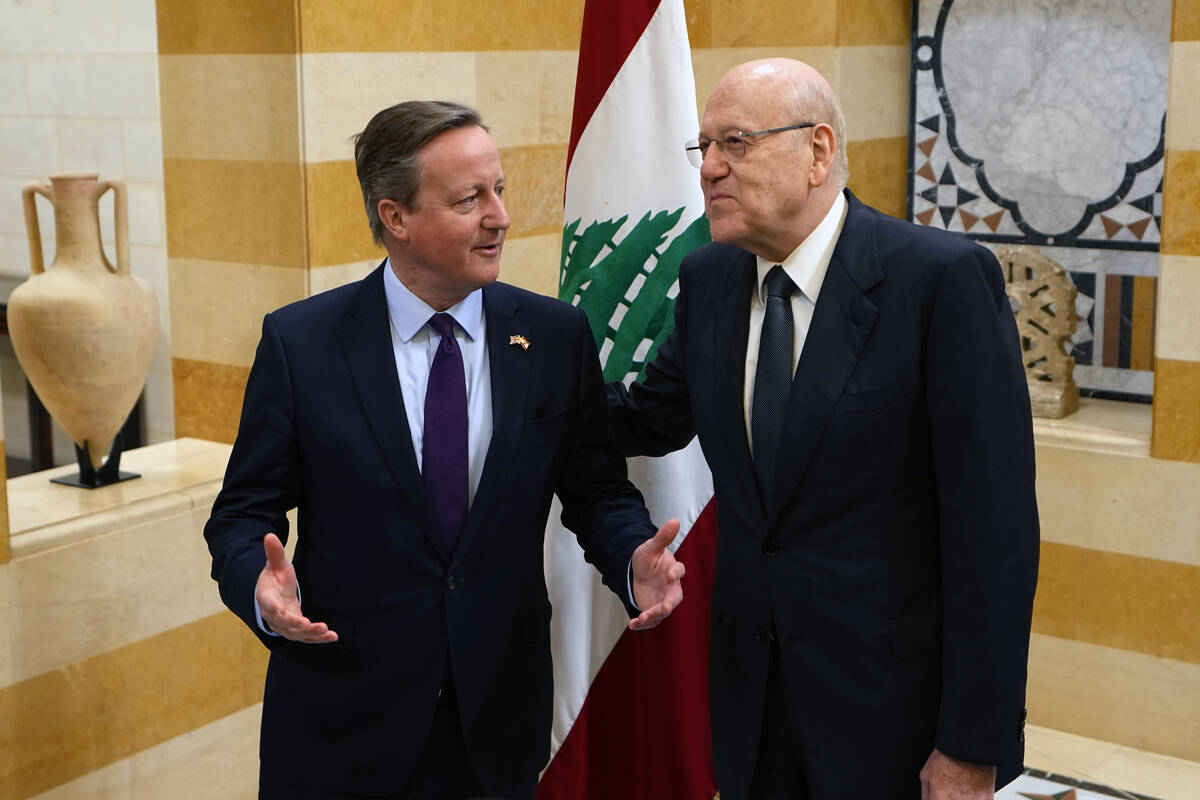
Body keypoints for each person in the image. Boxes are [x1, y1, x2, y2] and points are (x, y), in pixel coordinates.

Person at [205, 100, 686, 800]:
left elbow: (597, 492)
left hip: (493, 723)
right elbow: (242, 513)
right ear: (395, 217)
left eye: (500, 190)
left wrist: (631, 556)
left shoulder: (554, 338)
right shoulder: (302, 345)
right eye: (470, 199)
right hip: (342, 725)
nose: (501, 217)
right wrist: (257, 583)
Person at [606, 59, 1040, 799]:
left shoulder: (938, 282)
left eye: (734, 143)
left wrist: (971, 744)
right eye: (703, 146)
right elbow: (648, 416)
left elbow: (994, 535)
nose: (709, 167)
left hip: (891, 716)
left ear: (817, 151)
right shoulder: (710, 278)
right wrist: (519, 371)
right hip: (753, 703)